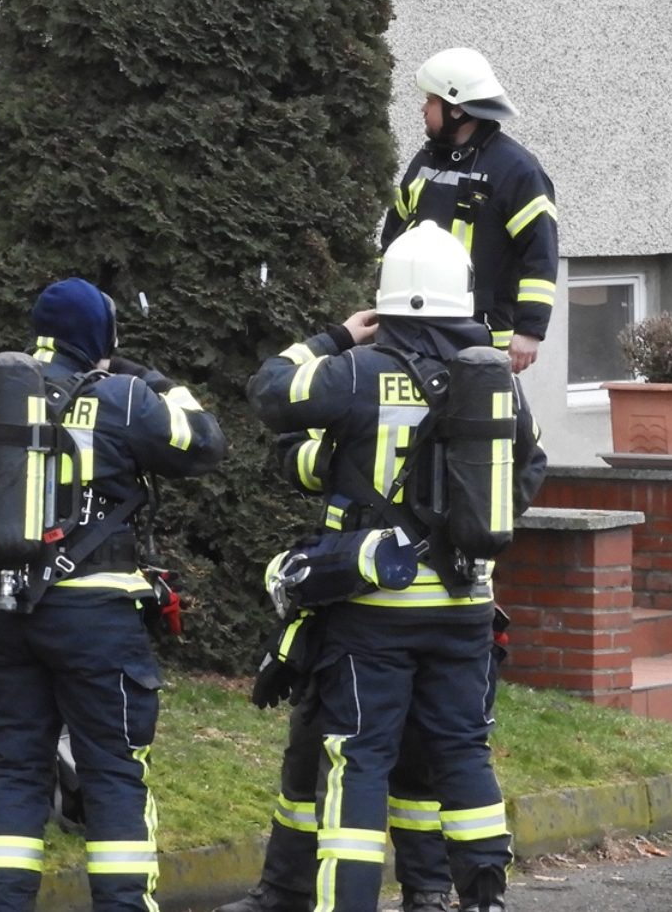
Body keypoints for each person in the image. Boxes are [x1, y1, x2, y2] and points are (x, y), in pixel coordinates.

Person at [246, 223, 546, 912]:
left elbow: (270, 391)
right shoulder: (492, 381)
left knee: (356, 761)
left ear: (388, 305)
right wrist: (467, 532)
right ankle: (485, 901)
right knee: (464, 753)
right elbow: (528, 469)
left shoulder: (356, 371)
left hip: (374, 613)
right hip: (467, 604)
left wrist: (336, 336)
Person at [0, 277, 226, 912]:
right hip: (93, 612)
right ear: (99, 337)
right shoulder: (125, 398)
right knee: (113, 771)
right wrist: (158, 382)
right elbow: (205, 442)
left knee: (15, 767)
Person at [381, 48, 557, 375]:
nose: (423, 109)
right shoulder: (426, 162)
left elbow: (540, 253)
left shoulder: (516, 170)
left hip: (483, 335)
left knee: (479, 422)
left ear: (457, 110)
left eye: (431, 102)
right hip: (414, 330)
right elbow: (393, 238)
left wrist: (529, 330)